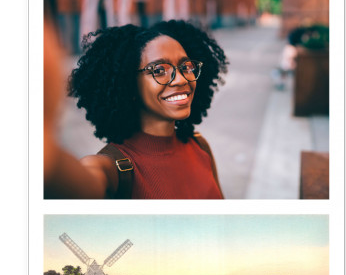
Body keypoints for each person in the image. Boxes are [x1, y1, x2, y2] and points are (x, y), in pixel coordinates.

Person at [45, 19, 228, 199]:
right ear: (129, 84)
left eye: (186, 66)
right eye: (159, 70)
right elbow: (70, 183)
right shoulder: (111, 169)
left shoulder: (200, 146)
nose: (181, 79)